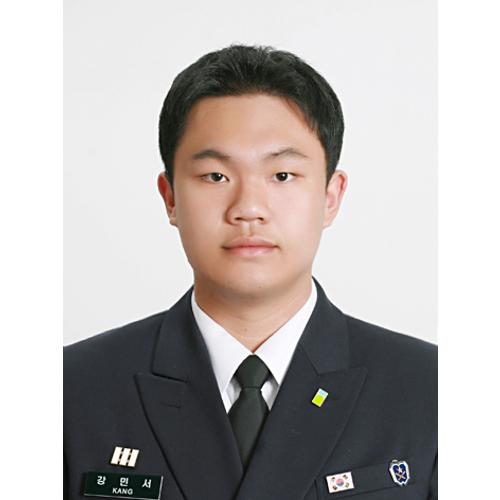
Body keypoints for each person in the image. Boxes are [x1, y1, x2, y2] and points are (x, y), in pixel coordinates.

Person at [64, 44, 437, 500]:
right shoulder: (70, 390)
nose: (248, 209)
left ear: (330, 196)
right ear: (170, 198)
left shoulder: (432, 389)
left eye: (282, 176)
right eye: (215, 176)